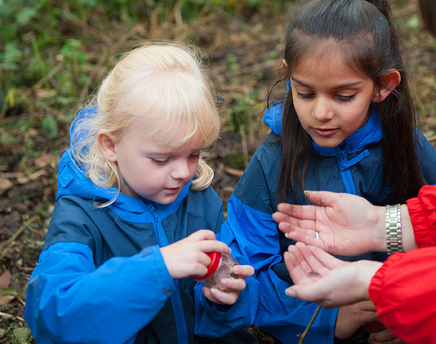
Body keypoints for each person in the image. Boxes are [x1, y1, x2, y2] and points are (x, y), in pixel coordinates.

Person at [226, 0, 436, 343]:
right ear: (289, 77)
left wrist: (415, 306)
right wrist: (322, 321)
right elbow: (245, 269)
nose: (321, 112)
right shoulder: (272, 161)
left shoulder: (407, 146)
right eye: (305, 93)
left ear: (383, 85)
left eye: (343, 96)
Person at [24, 43, 260, 344]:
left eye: (193, 154)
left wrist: (223, 297)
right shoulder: (81, 216)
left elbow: (229, 304)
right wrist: (156, 269)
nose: (183, 172)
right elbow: (52, 317)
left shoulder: (200, 201)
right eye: (161, 159)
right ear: (111, 146)